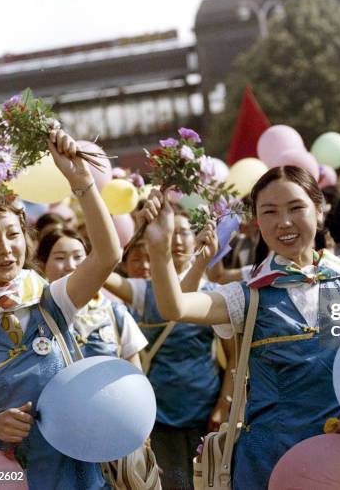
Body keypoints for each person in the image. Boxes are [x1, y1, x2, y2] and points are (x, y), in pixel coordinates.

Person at [137, 166, 340, 489]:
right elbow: (175, 306)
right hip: (268, 463)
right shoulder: (248, 297)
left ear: (318, 209)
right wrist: (159, 250)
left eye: (296, 208)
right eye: (269, 212)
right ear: (257, 222)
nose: (284, 222)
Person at [0, 130, 122, 489]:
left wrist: (81, 183)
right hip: (7, 480)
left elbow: (108, 256)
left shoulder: (52, 299)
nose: (6, 249)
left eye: (13, 235)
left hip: (81, 477)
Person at [104, 207, 232, 490]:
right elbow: (102, 267)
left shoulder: (217, 293)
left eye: (183, 232)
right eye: (169, 232)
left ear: (198, 237)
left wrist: (224, 404)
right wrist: (138, 228)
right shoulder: (142, 290)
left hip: (203, 408)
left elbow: (233, 356)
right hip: (155, 411)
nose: (176, 240)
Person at [36, 228, 147, 367]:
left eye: (78, 257)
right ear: (43, 264)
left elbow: (134, 375)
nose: (71, 266)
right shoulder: (35, 314)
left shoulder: (115, 313)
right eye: (60, 258)